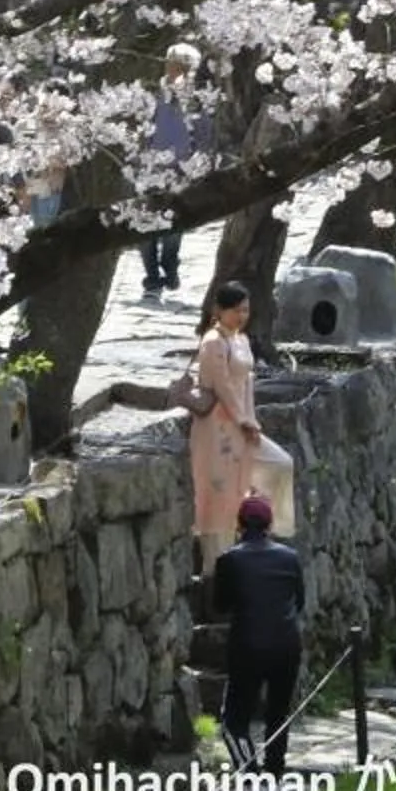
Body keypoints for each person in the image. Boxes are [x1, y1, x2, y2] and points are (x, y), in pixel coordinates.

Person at [210, 492, 303, 775]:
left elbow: (220, 606)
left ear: (239, 525)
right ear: (269, 524)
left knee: (234, 720)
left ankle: (249, 773)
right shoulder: (290, 557)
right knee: (278, 713)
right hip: (287, 644)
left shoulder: (229, 560)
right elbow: (300, 601)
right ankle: (275, 769)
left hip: (248, 646)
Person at [187, 281, 265, 567]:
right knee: (216, 490)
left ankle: (237, 549)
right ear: (219, 310)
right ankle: (213, 564)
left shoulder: (241, 340)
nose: (241, 316)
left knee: (238, 489)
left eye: (245, 310)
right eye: (236, 310)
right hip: (216, 425)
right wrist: (242, 419)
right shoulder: (212, 342)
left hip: (239, 423)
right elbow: (221, 385)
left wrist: (251, 419)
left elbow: (246, 385)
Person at [141, 44, 207, 295]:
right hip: (149, 167)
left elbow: (203, 132)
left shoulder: (196, 100)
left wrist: (199, 163)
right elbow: (141, 129)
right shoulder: (154, 95)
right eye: (169, 63)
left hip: (181, 169)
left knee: (173, 226)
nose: (170, 68)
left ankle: (170, 264)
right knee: (145, 225)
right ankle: (151, 275)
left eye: (176, 64)